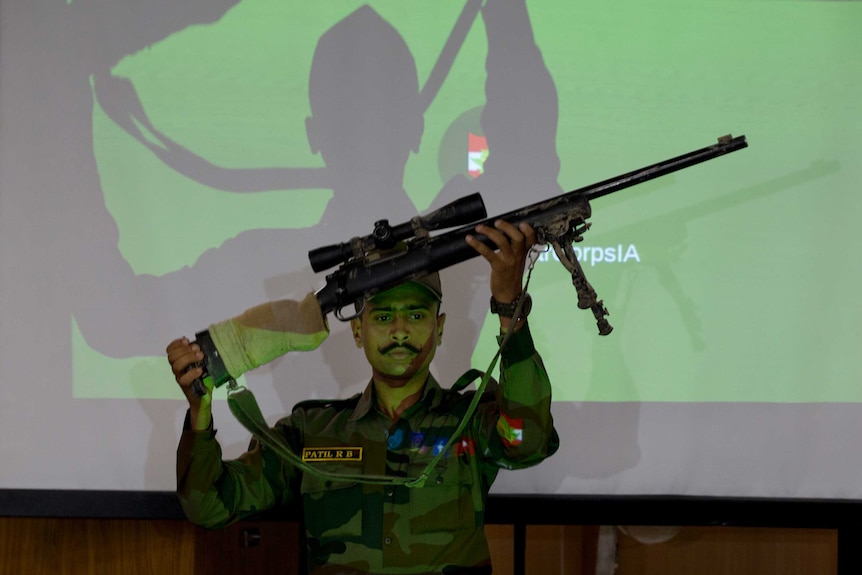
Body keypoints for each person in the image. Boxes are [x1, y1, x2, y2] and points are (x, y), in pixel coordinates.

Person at [167, 220, 559, 574]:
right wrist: (200, 411)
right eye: (384, 317)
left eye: (417, 315)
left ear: (439, 329)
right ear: (357, 331)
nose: (401, 331)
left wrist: (509, 306)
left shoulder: (470, 421)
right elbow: (211, 506)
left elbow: (528, 442)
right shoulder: (311, 431)